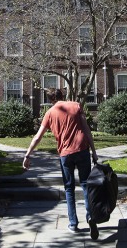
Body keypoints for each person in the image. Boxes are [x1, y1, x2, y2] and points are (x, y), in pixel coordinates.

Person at [22, 91, 100, 239]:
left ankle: (73, 223)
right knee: (85, 185)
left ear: (50, 99)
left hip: (65, 154)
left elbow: (38, 136)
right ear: (62, 96)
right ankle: (91, 217)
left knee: (69, 188)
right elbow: (87, 130)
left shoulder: (50, 113)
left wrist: (27, 155)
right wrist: (94, 152)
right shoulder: (76, 106)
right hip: (82, 149)